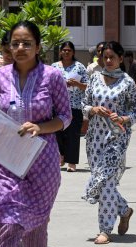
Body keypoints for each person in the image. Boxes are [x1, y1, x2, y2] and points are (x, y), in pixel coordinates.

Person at [0, 20, 72, 247]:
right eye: (15, 43)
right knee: (9, 225)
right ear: (9, 47)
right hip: (4, 163)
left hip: (42, 163)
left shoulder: (53, 76)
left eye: (27, 43)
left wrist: (41, 127)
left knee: (36, 227)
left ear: (38, 47)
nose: (21, 48)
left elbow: (66, 117)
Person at [81, 41, 136, 244]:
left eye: (112, 57)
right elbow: (83, 104)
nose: (107, 61)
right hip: (94, 138)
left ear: (120, 59)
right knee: (100, 181)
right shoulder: (94, 79)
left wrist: (124, 118)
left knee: (106, 180)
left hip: (116, 138)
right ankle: (124, 210)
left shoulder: (127, 82)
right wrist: (92, 110)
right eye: (104, 57)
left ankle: (105, 230)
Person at [52, 41, 89, 172]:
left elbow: (87, 86)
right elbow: (48, 85)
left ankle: (72, 162)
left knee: (73, 134)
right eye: (64, 50)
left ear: (73, 52)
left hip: (75, 105)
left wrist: (78, 84)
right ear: (61, 52)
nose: (66, 52)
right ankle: (60, 156)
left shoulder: (79, 67)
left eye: (69, 50)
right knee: (58, 133)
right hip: (57, 105)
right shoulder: (54, 67)